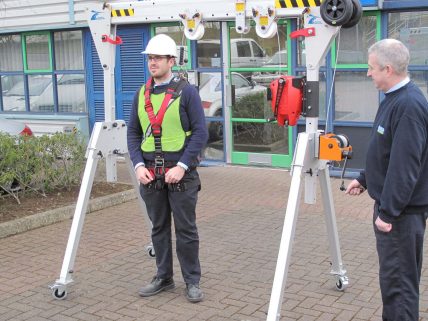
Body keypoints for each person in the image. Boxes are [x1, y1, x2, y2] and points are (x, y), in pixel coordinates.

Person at [345, 39, 428, 321]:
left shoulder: (408, 106)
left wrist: (388, 212)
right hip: (395, 211)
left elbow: (405, 166)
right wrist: (366, 179)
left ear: (388, 69)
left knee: (399, 289)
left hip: (400, 216)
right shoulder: (394, 99)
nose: (368, 74)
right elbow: (387, 152)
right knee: (393, 284)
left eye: (372, 68)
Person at [127, 33, 208, 303]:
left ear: (171, 61)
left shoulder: (187, 92)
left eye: (158, 58)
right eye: (150, 58)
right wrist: (138, 164)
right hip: (150, 172)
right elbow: (133, 133)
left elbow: (200, 133)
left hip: (180, 172)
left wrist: (183, 166)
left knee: (186, 229)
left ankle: (192, 281)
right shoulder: (142, 93)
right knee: (158, 228)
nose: (152, 62)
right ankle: (164, 277)